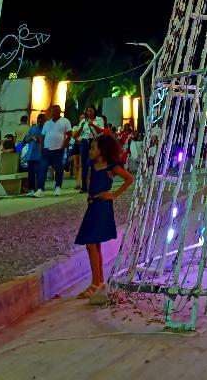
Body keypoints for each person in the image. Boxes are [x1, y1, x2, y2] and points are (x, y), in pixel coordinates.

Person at [74, 132, 133, 300]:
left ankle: (95, 283)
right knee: (94, 245)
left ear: (102, 149)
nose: (90, 150)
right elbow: (89, 182)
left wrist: (114, 195)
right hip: (93, 205)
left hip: (102, 206)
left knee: (91, 244)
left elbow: (129, 178)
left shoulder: (111, 167)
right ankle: (98, 281)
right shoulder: (92, 165)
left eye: (93, 147)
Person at [41, 104, 73, 194]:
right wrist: (41, 148)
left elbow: (69, 134)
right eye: (52, 111)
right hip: (47, 150)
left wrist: (64, 146)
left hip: (58, 149)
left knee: (58, 169)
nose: (53, 112)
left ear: (59, 112)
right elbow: (42, 136)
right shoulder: (47, 123)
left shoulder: (65, 121)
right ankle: (40, 189)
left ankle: (58, 187)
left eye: (55, 111)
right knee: (43, 169)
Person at [73, 106, 105, 194]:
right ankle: (84, 187)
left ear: (94, 111)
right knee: (84, 164)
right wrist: (81, 127)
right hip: (84, 142)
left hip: (94, 142)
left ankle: (96, 185)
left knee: (94, 163)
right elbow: (76, 135)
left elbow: (101, 132)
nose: (89, 113)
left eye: (91, 111)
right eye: (88, 111)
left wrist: (93, 124)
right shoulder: (83, 121)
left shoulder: (99, 119)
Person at [22, 113, 48, 196]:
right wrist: (31, 138)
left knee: (40, 174)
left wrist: (40, 139)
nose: (40, 123)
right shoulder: (32, 129)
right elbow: (25, 139)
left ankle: (40, 189)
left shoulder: (46, 130)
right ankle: (31, 190)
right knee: (31, 174)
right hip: (31, 155)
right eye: (39, 121)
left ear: (45, 121)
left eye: (42, 121)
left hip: (41, 156)